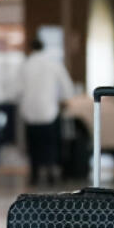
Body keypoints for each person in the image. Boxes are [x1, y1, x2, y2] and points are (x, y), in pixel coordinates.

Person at [17, 37, 74, 185]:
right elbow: (67, 87)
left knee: (34, 144)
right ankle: (50, 173)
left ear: (30, 48)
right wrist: (64, 100)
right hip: (49, 111)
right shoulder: (53, 64)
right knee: (50, 143)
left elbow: (17, 90)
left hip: (30, 112)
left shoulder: (25, 65)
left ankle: (34, 175)